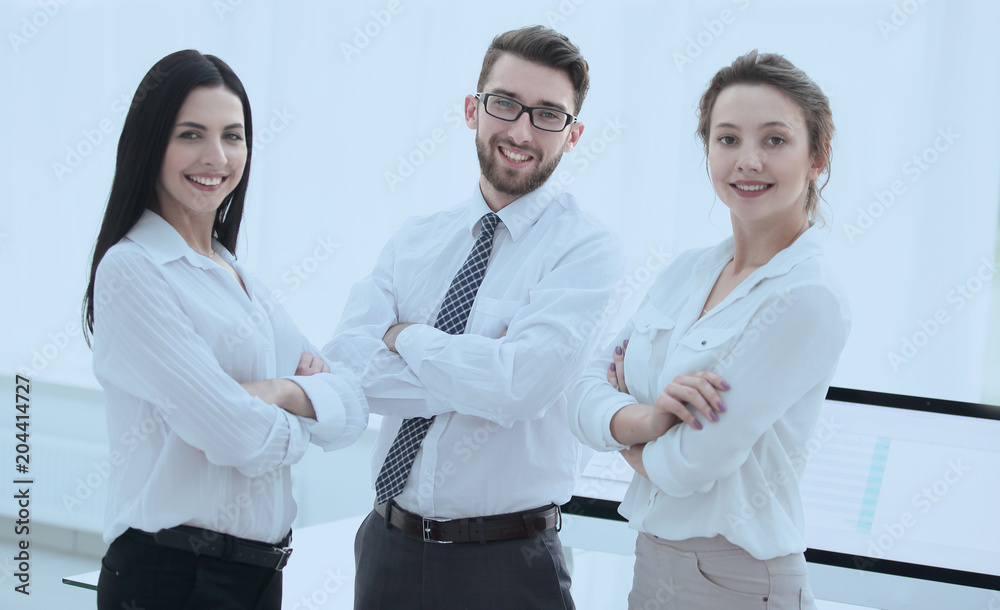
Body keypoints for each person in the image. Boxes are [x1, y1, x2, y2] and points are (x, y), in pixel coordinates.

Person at [323, 25, 625, 610]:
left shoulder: (586, 250)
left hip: (508, 567)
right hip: (386, 548)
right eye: (505, 104)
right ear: (472, 109)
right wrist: (478, 369)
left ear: (575, 134)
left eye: (548, 115)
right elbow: (345, 366)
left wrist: (404, 335)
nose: (520, 131)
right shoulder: (416, 240)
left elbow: (518, 388)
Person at [82, 50, 368, 609]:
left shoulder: (235, 273)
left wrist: (281, 392)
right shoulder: (132, 270)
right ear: (151, 144)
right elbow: (235, 435)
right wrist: (303, 406)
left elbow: (352, 409)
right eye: (191, 134)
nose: (216, 156)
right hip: (172, 576)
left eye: (232, 136)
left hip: (257, 577)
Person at [569, 50, 851, 610]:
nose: (748, 160)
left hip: (738, 581)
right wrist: (650, 418)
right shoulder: (685, 272)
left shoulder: (806, 297)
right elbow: (578, 389)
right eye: (727, 140)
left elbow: (688, 467)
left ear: (817, 157)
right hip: (653, 561)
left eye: (774, 140)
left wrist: (620, 422)